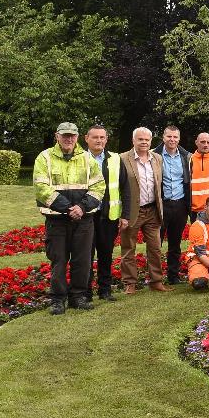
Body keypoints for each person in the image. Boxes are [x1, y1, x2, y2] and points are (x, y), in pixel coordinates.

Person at [34, 122, 105, 314]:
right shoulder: (45, 157)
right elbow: (41, 188)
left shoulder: (87, 159)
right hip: (57, 220)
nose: (69, 139)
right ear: (57, 136)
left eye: (72, 136)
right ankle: (57, 299)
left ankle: (78, 296)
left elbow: (99, 187)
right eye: (65, 135)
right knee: (58, 261)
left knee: (82, 260)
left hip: (84, 220)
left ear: (77, 137)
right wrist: (68, 209)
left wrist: (81, 208)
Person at [119, 127, 168, 293]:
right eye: (140, 139)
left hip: (152, 210)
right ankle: (130, 283)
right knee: (128, 248)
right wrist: (122, 213)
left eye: (147, 140)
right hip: (132, 211)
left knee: (155, 247)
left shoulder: (157, 158)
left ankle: (156, 281)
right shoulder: (123, 159)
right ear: (133, 141)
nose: (144, 142)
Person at [83, 124, 120, 303]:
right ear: (86, 139)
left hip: (107, 216)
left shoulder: (115, 159)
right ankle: (86, 292)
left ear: (106, 139)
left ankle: (105, 290)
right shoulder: (78, 158)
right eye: (95, 137)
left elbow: (124, 187)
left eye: (102, 137)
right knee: (86, 256)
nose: (99, 140)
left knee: (106, 254)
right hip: (86, 215)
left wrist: (125, 214)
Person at [155, 125, 192, 286]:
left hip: (180, 205)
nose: (172, 140)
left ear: (179, 139)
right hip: (161, 205)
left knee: (175, 243)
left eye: (175, 137)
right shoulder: (154, 155)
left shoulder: (186, 157)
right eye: (169, 137)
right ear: (163, 137)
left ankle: (173, 275)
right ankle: (155, 277)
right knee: (156, 243)